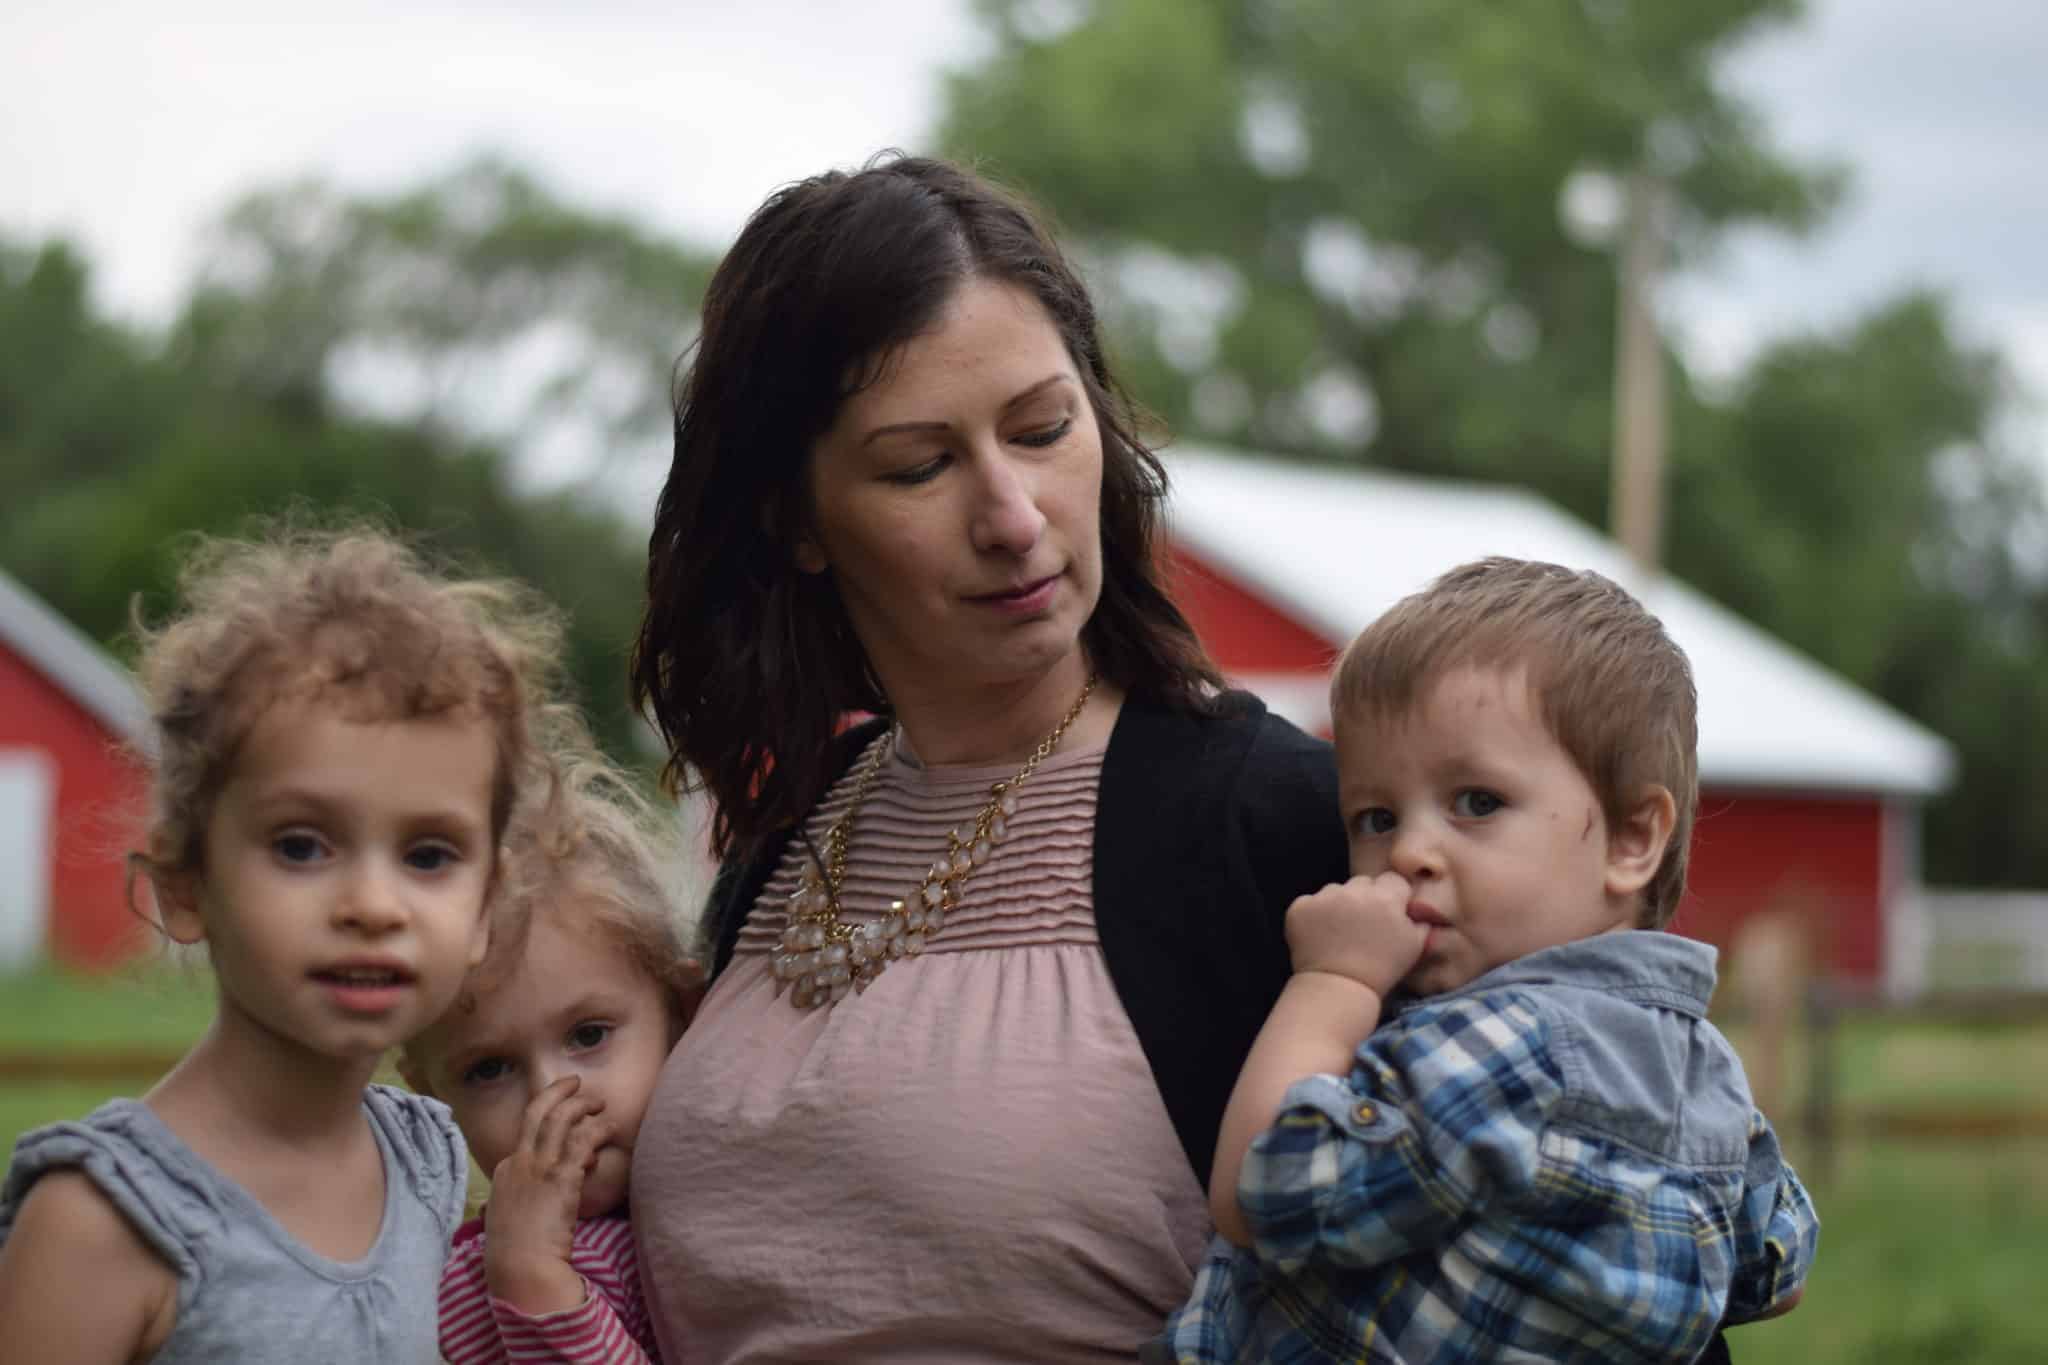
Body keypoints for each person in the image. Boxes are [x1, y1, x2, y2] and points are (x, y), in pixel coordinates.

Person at [624, 152, 1350, 1361]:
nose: (1012, 515)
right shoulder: (781, 851)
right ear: (795, 523)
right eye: (920, 465)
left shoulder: (1269, 822)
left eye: (1042, 428)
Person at [1155, 558, 1820, 1363]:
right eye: (1374, 815)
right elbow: (1778, 1270)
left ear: (1634, 837)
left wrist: (1330, 981)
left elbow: (1259, 1195)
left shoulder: (1494, 1049)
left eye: (1477, 802)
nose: (1408, 850)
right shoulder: (1709, 1075)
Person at [0, 528, 562, 1362]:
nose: (374, 905)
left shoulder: (429, 1161)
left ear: (484, 906)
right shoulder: (104, 1217)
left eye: (429, 856)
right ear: (186, 885)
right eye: (301, 845)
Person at [402, 730, 703, 1364]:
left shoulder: (717, 1218)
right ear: (431, 1094)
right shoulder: (453, 1287)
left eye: (588, 1035)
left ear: (682, 1011)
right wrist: (534, 1281)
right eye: (487, 1070)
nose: (550, 1098)